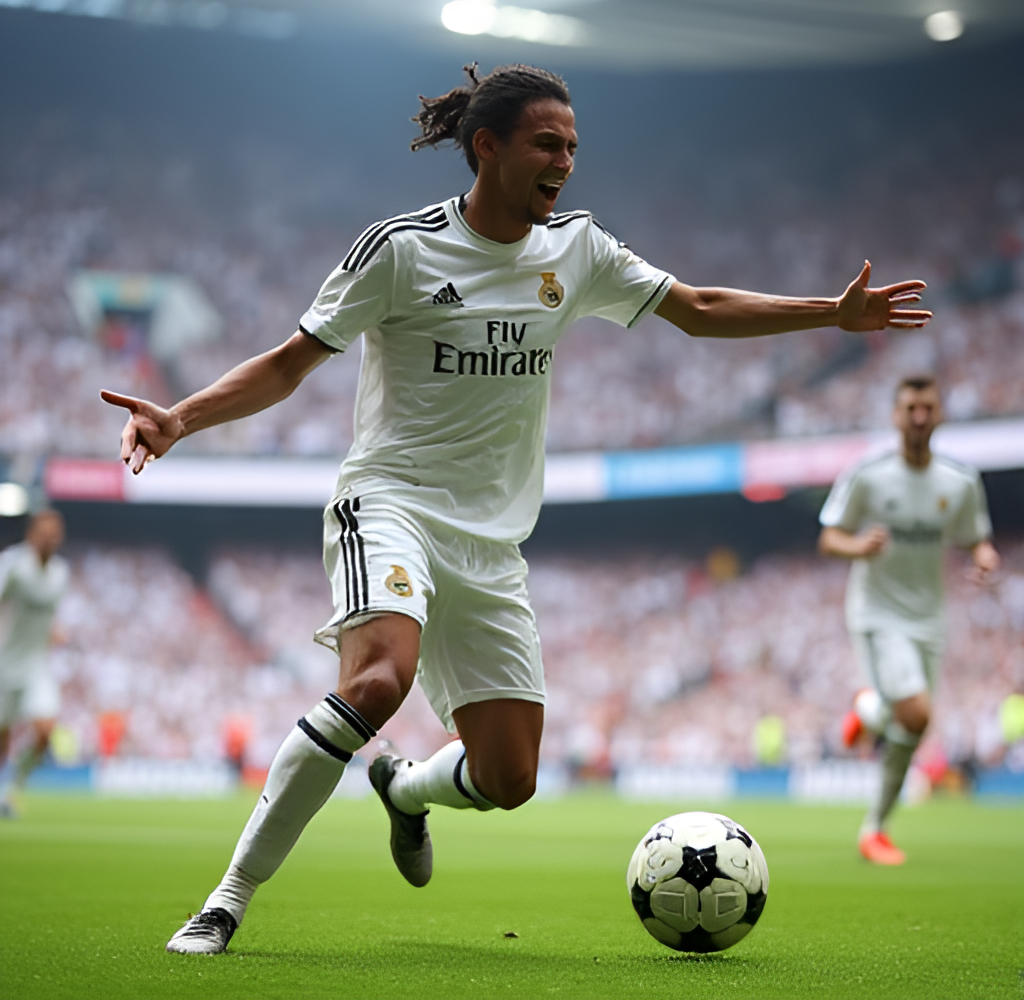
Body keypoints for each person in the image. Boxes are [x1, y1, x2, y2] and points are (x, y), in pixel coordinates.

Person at [101, 63, 931, 954]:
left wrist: (829, 315)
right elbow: (289, 361)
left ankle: (405, 790)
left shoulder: (575, 250)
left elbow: (695, 307)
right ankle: (226, 900)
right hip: (391, 502)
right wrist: (180, 417)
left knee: (509, 778)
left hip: (493, 543)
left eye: (573, 146)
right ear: (486, 147)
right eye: (548, 143)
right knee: (377, 681)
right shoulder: (399, 249)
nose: (566, 161)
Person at [819, 374, 999, 865]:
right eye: (911, 408)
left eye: (928, 408)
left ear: (939, 414)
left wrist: (983, 555)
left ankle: (874, 818)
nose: (920, 417)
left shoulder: (959, 482)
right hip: (877, 612)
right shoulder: (869, 473)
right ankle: (874, 816)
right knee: (918, 714)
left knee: (911, 726)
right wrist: (859, 545)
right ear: (896, 416)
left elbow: (972, 536)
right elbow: (830, 536)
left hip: (930, 618)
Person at [0, 509, 69, 817]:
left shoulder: (60, 573)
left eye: (55, 532)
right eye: (45, 531)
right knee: (3, 735)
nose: (50, 537)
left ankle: (15, 785)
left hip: (37, 665)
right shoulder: (14, 566)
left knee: (44, 731)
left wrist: (54, 633)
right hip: (6, 661)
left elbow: (48, 615)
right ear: (32, 534)